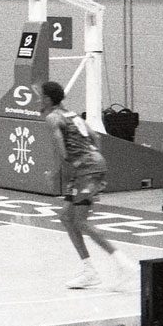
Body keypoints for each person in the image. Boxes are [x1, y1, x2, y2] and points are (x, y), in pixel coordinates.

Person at [41, 81, 134, 289]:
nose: (40, 99)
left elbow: (61, 152)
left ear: (47, 99)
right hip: (90, 165)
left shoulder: (53, 118)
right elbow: (94, 137)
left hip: (86, 169)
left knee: (81, 221)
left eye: (42, 96)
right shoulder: (72, 115)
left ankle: (123, 264)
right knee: (66, 216)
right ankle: (89, 270)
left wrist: (55, 173)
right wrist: (95, 159)